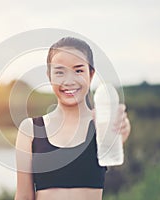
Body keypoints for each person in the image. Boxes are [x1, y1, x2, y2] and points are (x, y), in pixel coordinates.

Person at [15, 37, 131, 200]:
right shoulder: (30, 129)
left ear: (91, 75)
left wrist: (121, 128)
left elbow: (119, 132)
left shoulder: (101, 125)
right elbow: (24, 197)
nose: (69, 81)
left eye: (78, 70)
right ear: (49, 76)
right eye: (60, 72)